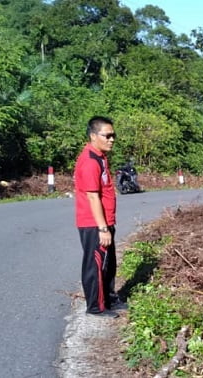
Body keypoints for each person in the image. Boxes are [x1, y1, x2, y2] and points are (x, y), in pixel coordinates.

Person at [74, 116, 119, 318]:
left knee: (108, 263)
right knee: (95, 265)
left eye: (113, 135)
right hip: (94, 224)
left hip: (105, 221)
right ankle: (95, 306)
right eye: (107, 135)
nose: (111, 139)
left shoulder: (100, 157)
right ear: (93, 136)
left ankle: (109, 299)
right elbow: (93, 197)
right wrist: (102, 228)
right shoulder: (90, 161)